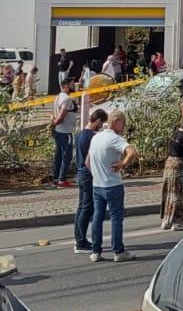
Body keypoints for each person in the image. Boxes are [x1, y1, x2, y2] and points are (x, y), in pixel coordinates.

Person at [88, 110, 137, 262]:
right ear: (116, 121)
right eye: (123, 123)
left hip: (97, 185)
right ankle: (118, 251)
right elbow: (132, 152)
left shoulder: (95, 138)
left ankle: (96, 251)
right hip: (113, 184)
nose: (124, 126)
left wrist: (97, 173)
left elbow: (88, 161)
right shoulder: (115, 139)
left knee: (97, 217)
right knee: (116, 218)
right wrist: (122, 163)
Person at [74, 108, 109, 251]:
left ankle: (78, 237)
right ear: (98, 121)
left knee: (82, 206)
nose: (101, 127)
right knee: (87, 208)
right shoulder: (91, 137)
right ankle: (81, 241)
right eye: (102, 124)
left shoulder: (80, 134)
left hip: (81, 173)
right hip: (88, 175)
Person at [160, 110, 183, 232]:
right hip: (179, 166)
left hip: (169, 164)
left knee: (169, 192)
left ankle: (167, 220)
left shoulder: (175, 133)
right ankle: (179, 222)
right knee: (180, 194)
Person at [49, 81, 79, 187]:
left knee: (59, 155)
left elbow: (53, 113)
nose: (74, 86)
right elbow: (61, 117)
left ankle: (56, 179)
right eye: (71, 84)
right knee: (66, 156)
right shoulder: (66, 99)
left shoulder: (58, 97)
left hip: (59, 131)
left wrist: (53, 123)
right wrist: (54, 123)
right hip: (65, 132)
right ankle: (62, 179)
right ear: (65, 86)